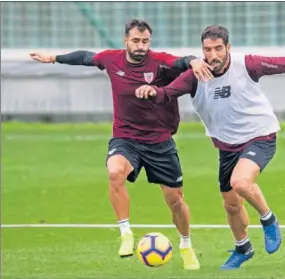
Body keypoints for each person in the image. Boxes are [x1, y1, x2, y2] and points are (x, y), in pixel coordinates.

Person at [135, 25, 285, 270]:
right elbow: (167, 94)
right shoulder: (195, 75)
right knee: (231, 204)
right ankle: (243, 247)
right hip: (227, 147)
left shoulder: (248, 64)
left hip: (259, 136)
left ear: (228, 48)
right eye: (207, 49)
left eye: (218, 49)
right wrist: (151, 91)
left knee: (241, 182)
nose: (212, 55)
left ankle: (269, 219)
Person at [29, 19, 214, 270]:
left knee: (175, 201)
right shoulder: (111, 59)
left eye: (145, 41)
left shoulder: (159, 61)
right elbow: (85, 57)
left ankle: (185, 244)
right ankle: (126, 232)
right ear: (125, 40)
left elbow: (181, 61)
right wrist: (53, 58)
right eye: (136, 41)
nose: (141, 46)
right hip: (126, 137)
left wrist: (193, 60)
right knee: (115, 172)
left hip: (160, 141)